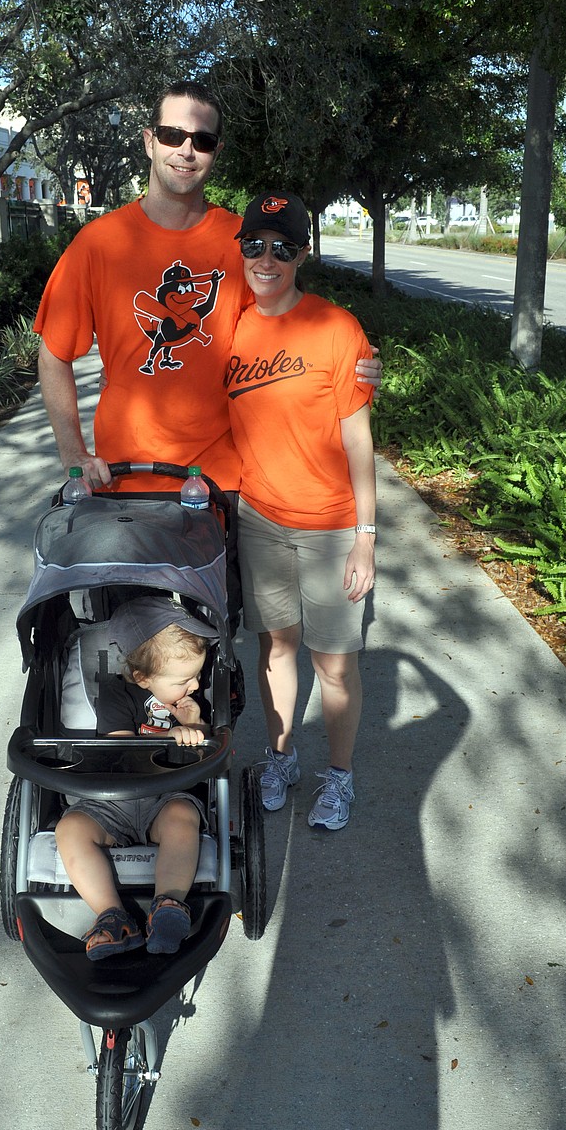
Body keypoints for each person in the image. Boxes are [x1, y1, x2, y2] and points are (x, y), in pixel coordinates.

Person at [33, 79, 383, 496]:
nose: (186, 151)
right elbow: (54, 353)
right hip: (123, 478)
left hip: (220, 482)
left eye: (202, 140)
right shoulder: (98, 244)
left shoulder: (245, 243)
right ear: (149, 142)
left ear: (216, 151)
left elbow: (287, 327)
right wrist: (72, 453)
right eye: (172, 135)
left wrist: (346, 360)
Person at [226, 191, 377, 832]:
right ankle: (281, 758)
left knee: (334, 663)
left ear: (302, 256)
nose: (267, 259)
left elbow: (358, 440)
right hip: (258, 520)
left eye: (282, 249)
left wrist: (366, 537)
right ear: (241, 250)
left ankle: (339, 776)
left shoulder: (337, 329)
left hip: (331, 527)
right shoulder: (228, 324)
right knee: (275, 648)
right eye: (255, 245)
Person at [54, 596, 217, 961]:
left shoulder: (190, 703)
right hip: (113, 799)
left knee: (183, 818)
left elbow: (207, 755)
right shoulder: (116, 694)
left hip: (168, 795)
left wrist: (196, 726)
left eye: (197, 675)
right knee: (71, 828)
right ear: (143, 677)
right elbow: (122, 750)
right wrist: (171, 736)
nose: (195, 685)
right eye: (184, 679)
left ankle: (167, 907)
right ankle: (112, 916)